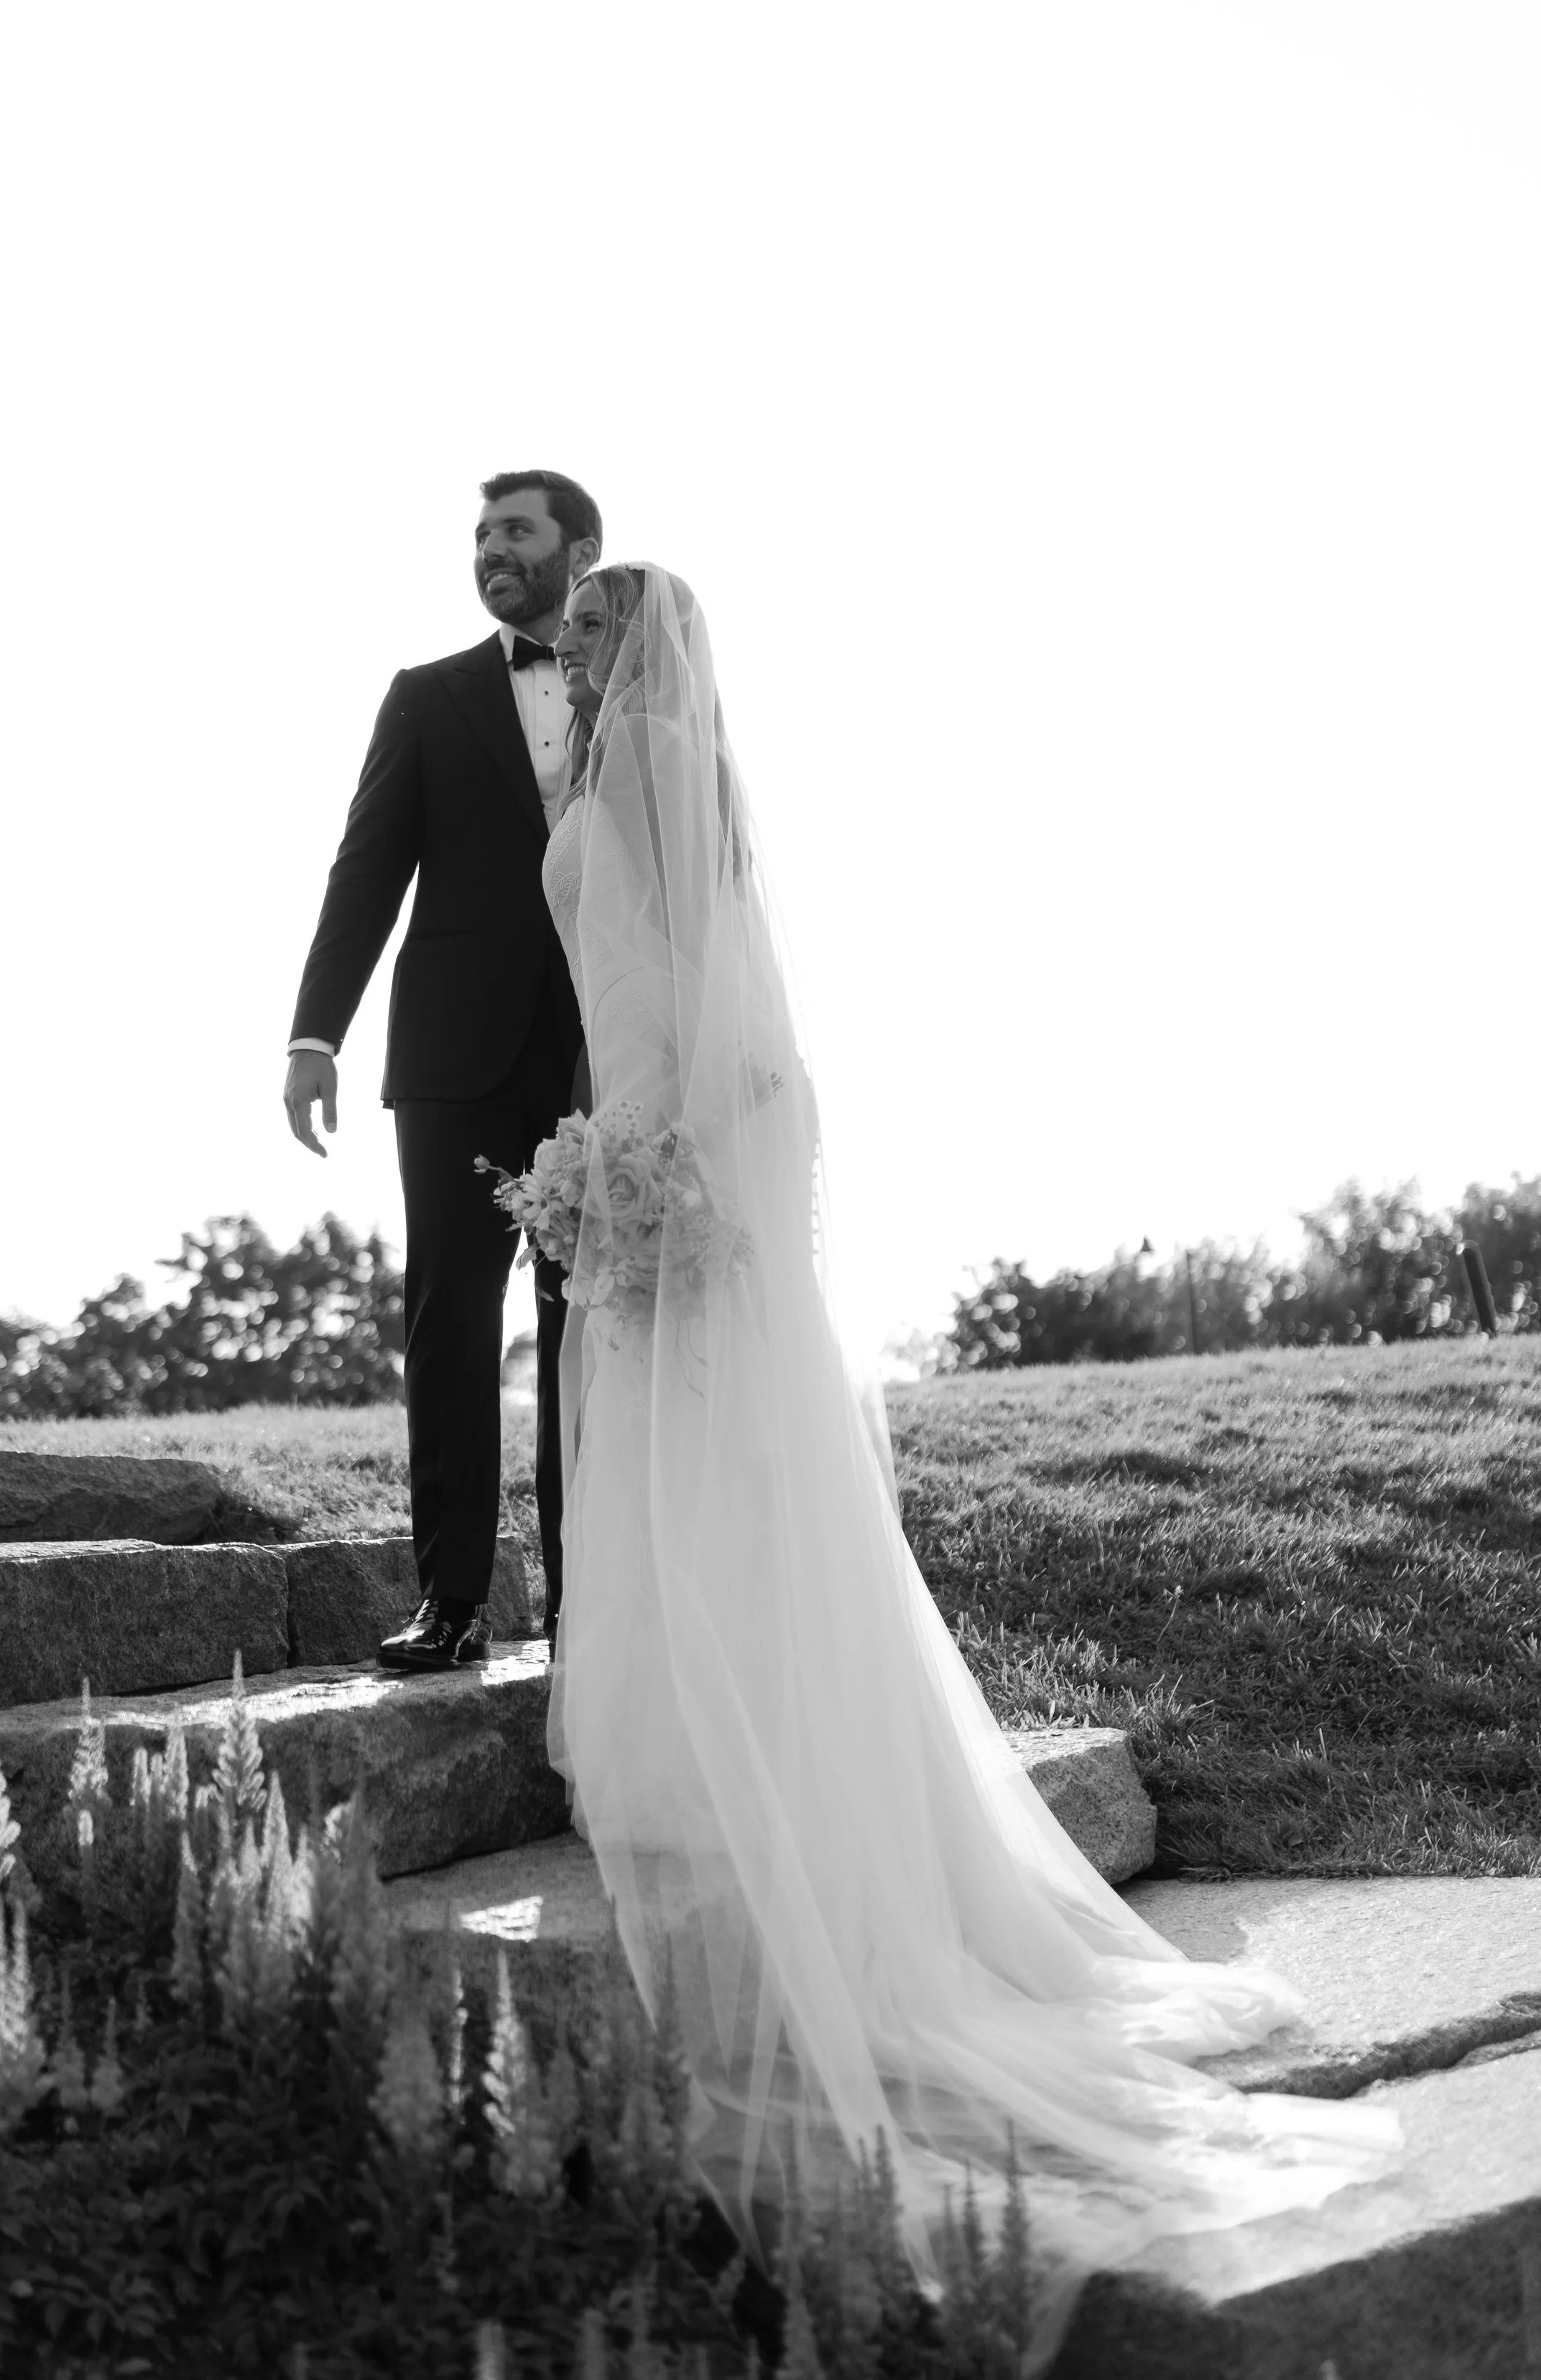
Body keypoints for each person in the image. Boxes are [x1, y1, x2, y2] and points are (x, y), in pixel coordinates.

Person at [532, 562, 1400, 2348]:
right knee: (672, 1481)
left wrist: (657, 1172)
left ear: (639, 644)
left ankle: (749, 1785)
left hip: (667, 1158)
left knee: (704, 1482)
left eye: (599, 629)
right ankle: (710, 1765)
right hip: (627, 1146)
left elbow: (723, 1011)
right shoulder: (604, 771)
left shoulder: (651, 769)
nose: (576, 648)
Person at [283, 471, 598, 1669]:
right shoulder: (427, 698)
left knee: (589, 1337)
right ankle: (452, 1600)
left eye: (515, 531)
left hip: (597, 1060)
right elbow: (364, 872)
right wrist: (316, 1034)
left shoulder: (636, 689)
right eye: (479, 535)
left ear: (581, 546)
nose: (490, 551)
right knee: (452, 1326)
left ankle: (587, 1607)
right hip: (453, 1064)